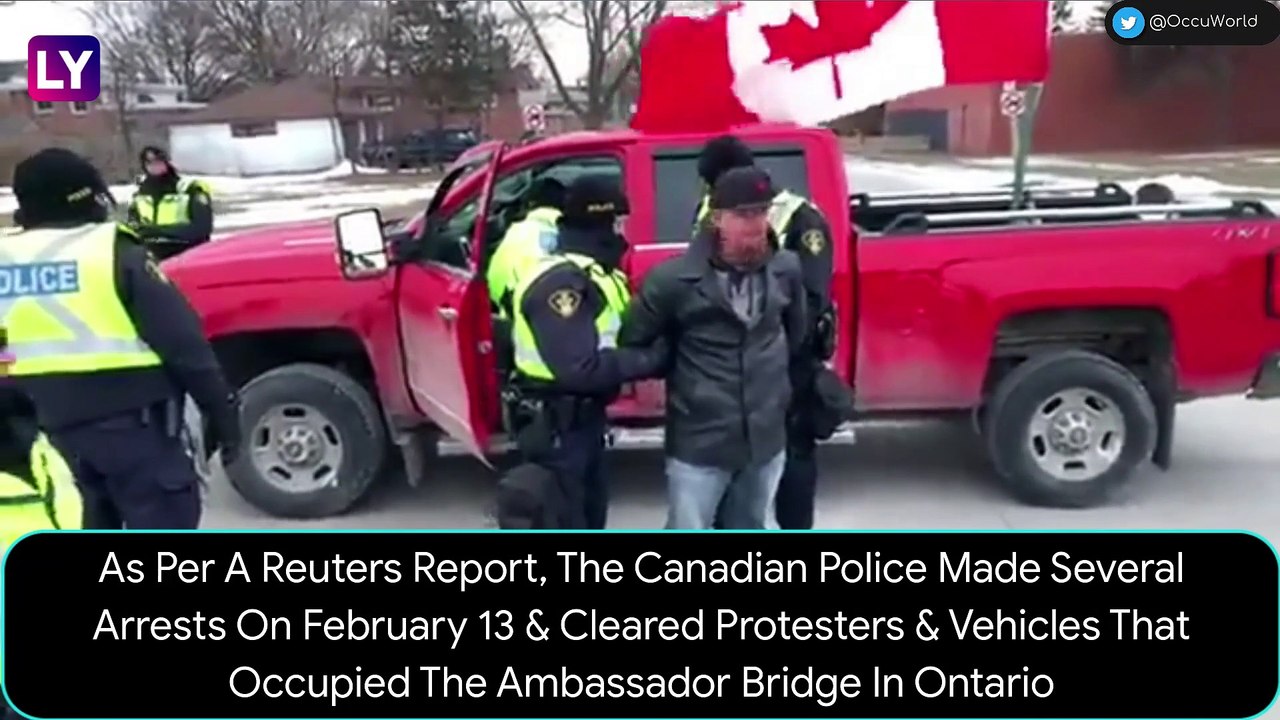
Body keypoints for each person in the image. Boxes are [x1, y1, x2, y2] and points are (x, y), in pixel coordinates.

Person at [5, 147, 242, 529]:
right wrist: (223, 414)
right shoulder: (111, 250)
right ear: (83, 196)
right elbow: (184, 346)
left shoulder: (4, 258)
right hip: (133, 433)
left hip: (40, 439)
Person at [624, 166, 808, 529]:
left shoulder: (786, 269)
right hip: (700, 443)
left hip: (765, 440)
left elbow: (796, 334)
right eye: (743, 214)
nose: (755, 223)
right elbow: (635, 340)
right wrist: (681, 370)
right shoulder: (674, 280)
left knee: (752, 527)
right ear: (717, 218)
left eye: (761, 211)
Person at [505, 173, 669, 529]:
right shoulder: (561, 284)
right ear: (602, 223)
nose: (623, 233)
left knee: (590, 516)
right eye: (619, 223)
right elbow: (580, 368)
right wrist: (654, 360)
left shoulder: (593, 274)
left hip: (582, 423)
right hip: (558, 431)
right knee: (568, 520)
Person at [694, 134, 837, 530]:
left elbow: (811, 299)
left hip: (787, 360)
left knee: (794, 455)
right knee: (734, 462)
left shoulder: (799, 218)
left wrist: (776, 354)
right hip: (734, 364)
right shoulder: (710, 211)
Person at [486, 177, 566, 319]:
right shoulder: (563, 235)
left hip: (513, 325)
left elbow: (493, 278)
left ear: (531, 205)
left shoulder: (514, 233)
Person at [126, 146, 214, 260]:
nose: (154, 166)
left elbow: (202, 228)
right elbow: (133, 229)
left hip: (187, 253)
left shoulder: (189, 189)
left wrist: (158, 232)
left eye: (158, 161)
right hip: (151, 257)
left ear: (166, 162)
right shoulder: (139, 195)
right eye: (149, 163)